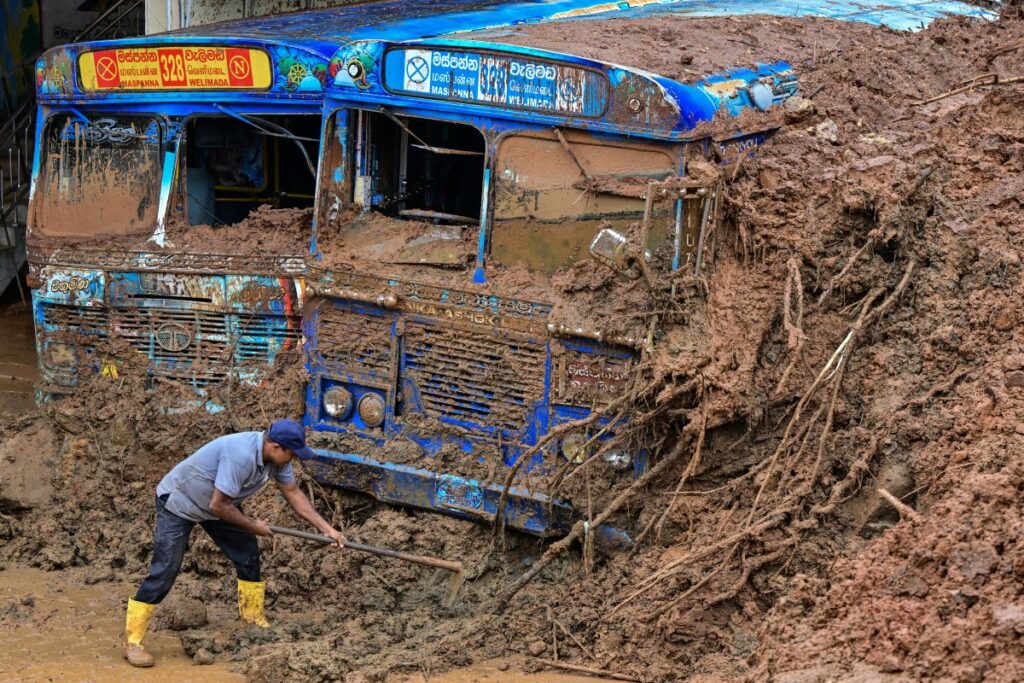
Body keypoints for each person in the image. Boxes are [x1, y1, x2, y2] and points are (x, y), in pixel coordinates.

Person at [124, 418, 345, 667]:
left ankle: (253, 618)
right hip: (180, 502)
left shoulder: (278, 460)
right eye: (292, 454)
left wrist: (328, 529)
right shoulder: (240, 456)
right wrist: (254, 526)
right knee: (166, 568)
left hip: (217, 505)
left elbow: (293, 493)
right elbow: (219, 505)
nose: (294, 459)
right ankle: (133, 641)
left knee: (247, 554)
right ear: (275, 447)